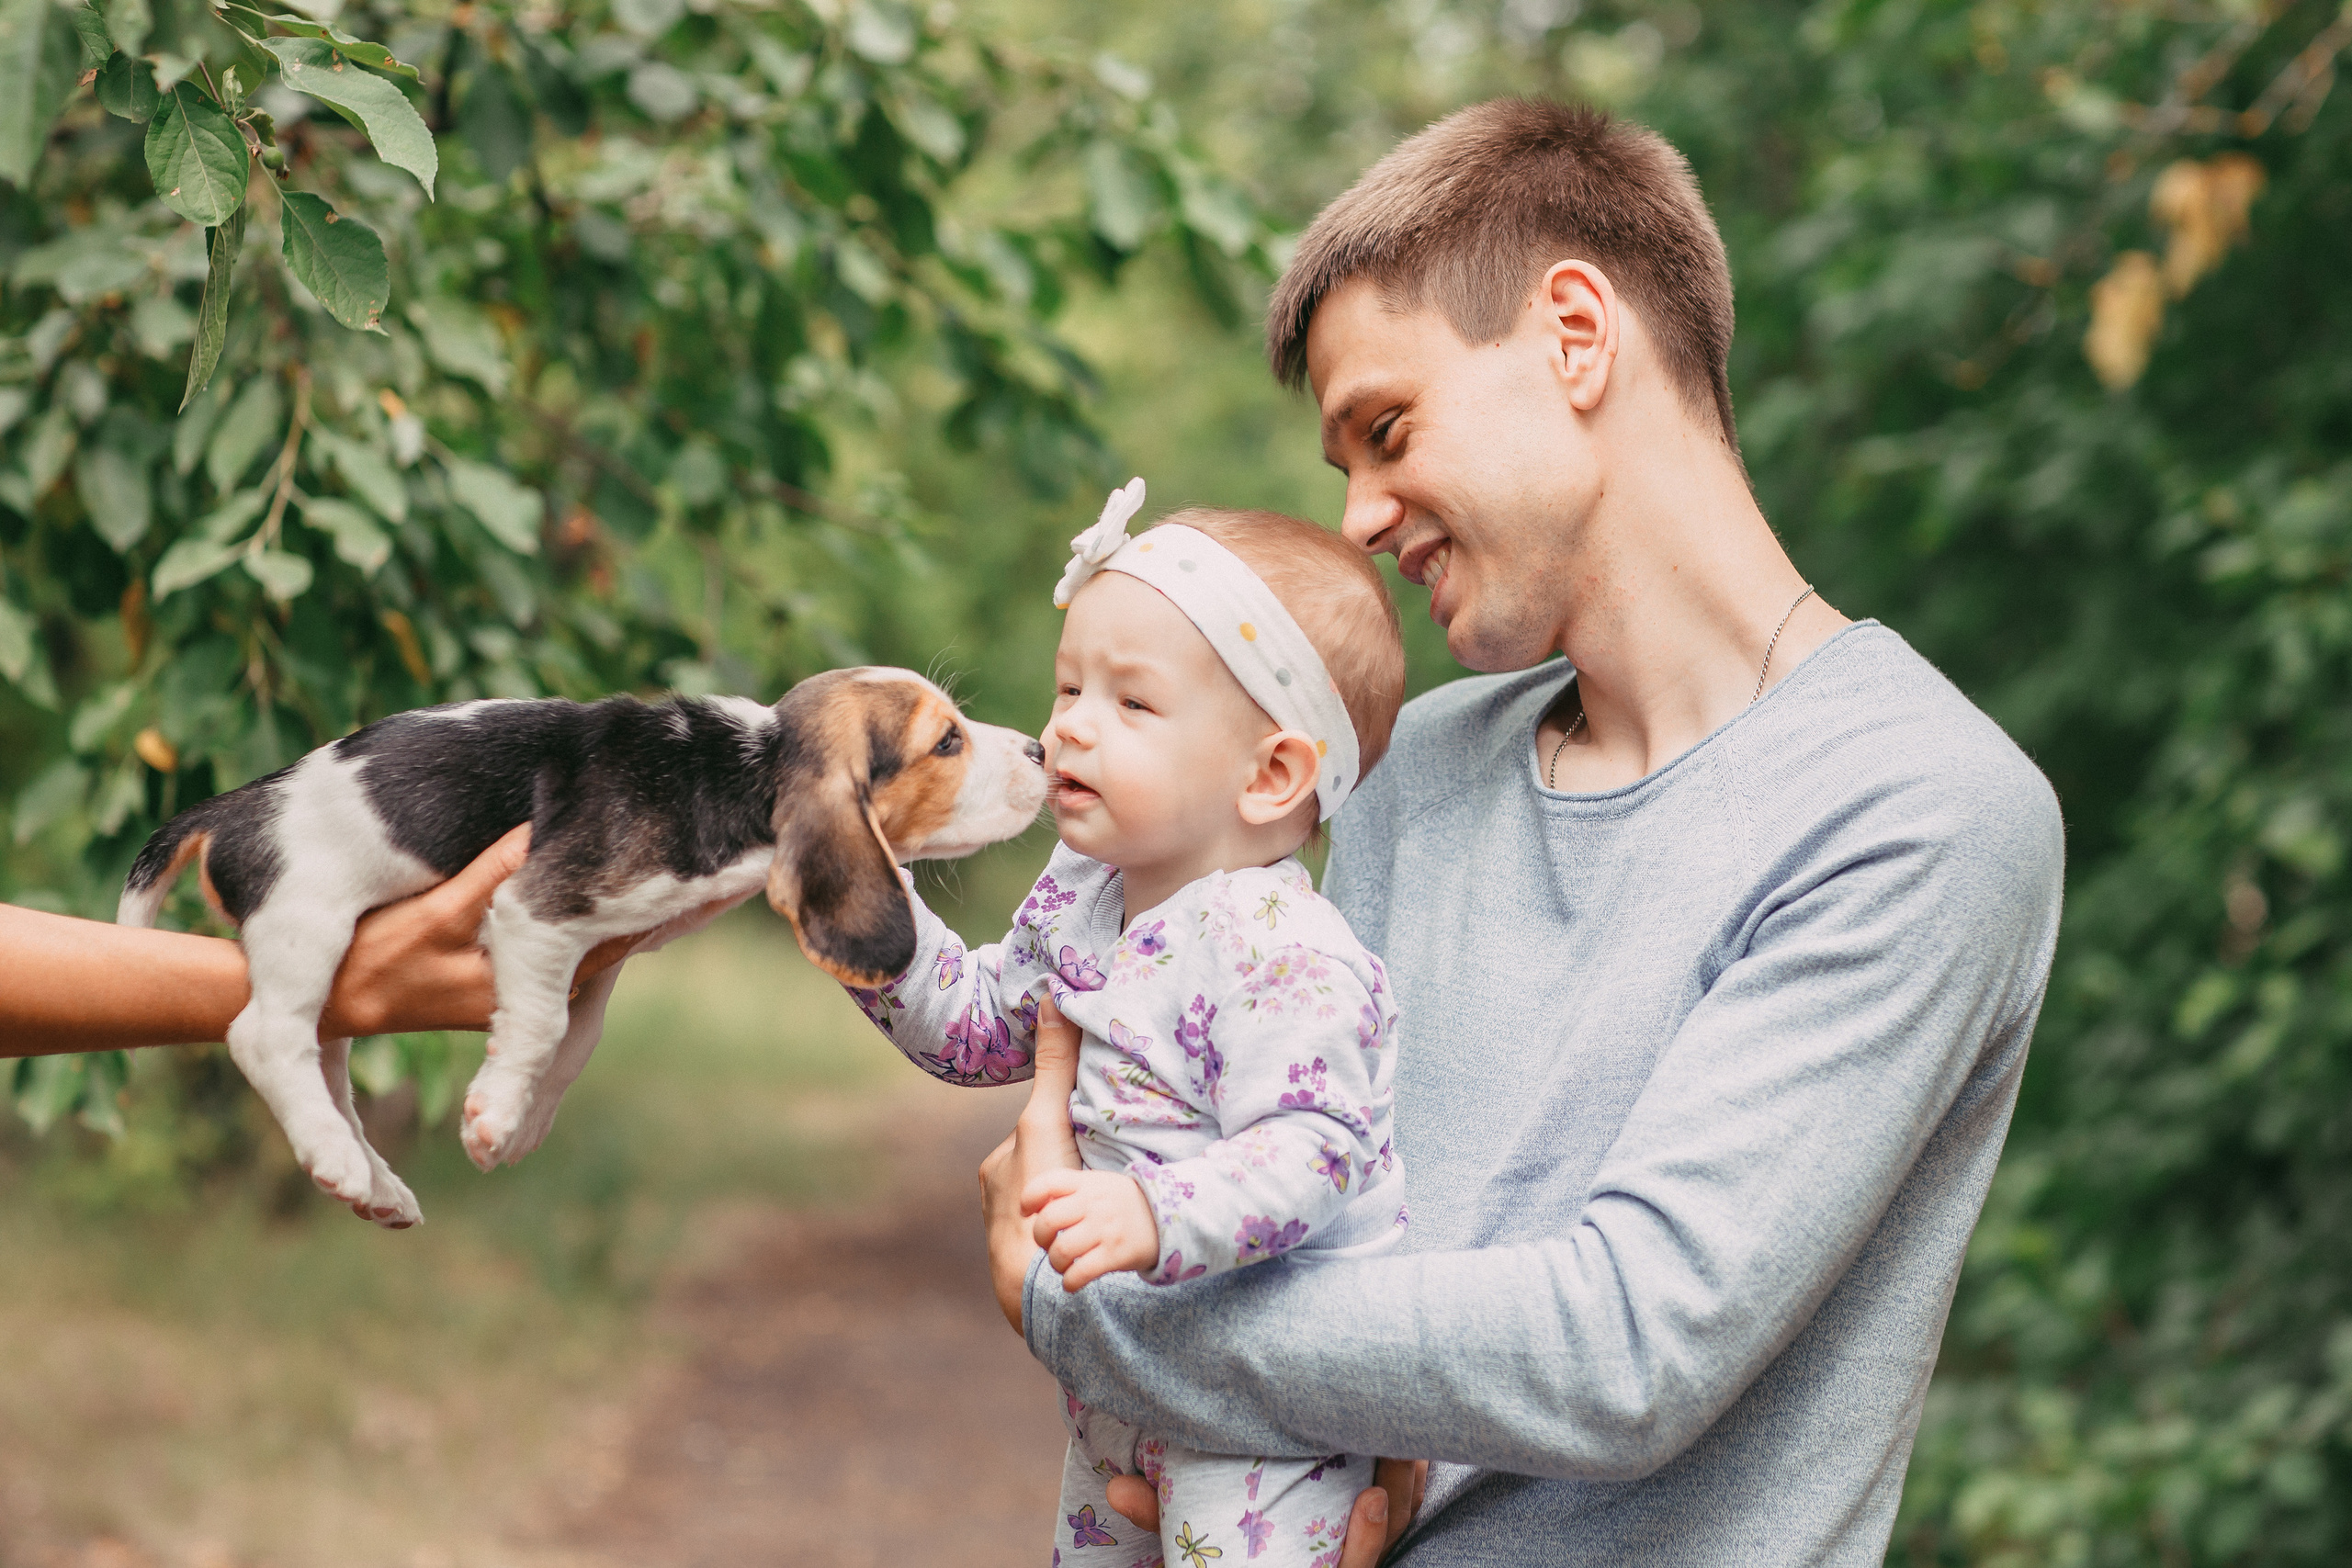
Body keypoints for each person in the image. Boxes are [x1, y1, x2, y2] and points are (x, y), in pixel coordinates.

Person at [978, 98, 2066, 1563]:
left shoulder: (1918, 807)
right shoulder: (1418, 768)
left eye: (1388, 429)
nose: (1359, 516)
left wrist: (1076, 1304)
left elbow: (1624, 1351)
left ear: (1574, 333)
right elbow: (1298, 1210)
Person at [840, 491, 1412, 1565]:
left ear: (1271, 773)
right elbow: (976, 1027)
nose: (1066, 727)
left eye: (1131, 704)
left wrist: (1154, 1207)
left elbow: (1316, 1147)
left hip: (1267, 1429)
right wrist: (861, 908)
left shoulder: (1285, 945)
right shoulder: (1088, 891)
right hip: (1122, 1393)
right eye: (1067, 687)